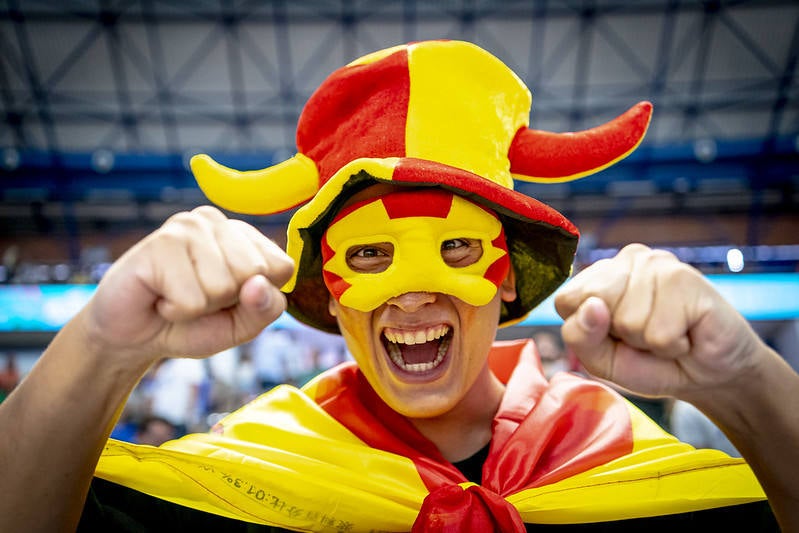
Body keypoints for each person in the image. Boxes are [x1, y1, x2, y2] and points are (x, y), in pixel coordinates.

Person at [1, 40, 797, 532]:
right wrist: (102, 345)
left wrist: (748, 382)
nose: (411, 296)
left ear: (504, 278)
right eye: (372, 257)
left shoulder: (610, 445)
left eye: (456, 246)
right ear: (332, 292)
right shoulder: (257, 463)